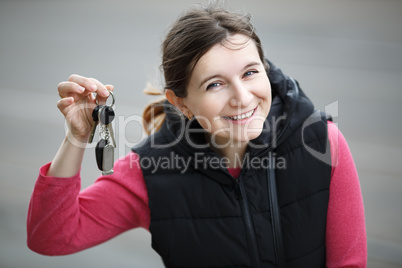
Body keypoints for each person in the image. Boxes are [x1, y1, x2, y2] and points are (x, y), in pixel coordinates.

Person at [26, 4, 367, 268]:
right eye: (215, 84)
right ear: (181, 103)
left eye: (250, 72)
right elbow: (51, 237)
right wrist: (76, 137)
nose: (242, 97)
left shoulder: (323, 143)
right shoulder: (150, 174)